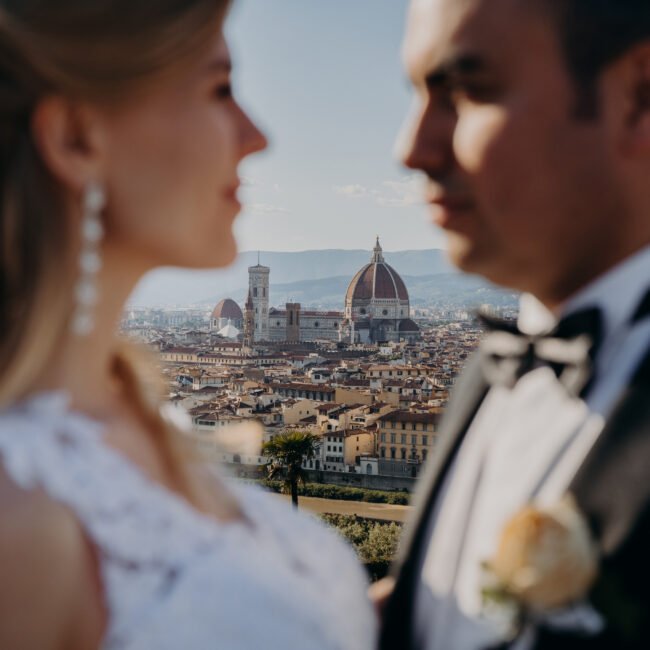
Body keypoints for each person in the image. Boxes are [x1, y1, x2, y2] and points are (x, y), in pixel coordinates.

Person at [0, 2, 377, 649]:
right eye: (219, 88)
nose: (258, 136)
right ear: (76, 138)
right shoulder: (19, 514)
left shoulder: (135, 415)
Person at [379, 0, 650, 648]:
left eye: (468, 91)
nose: (411, 149)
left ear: (639, 98)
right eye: (416, 95)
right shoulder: (483, 371)